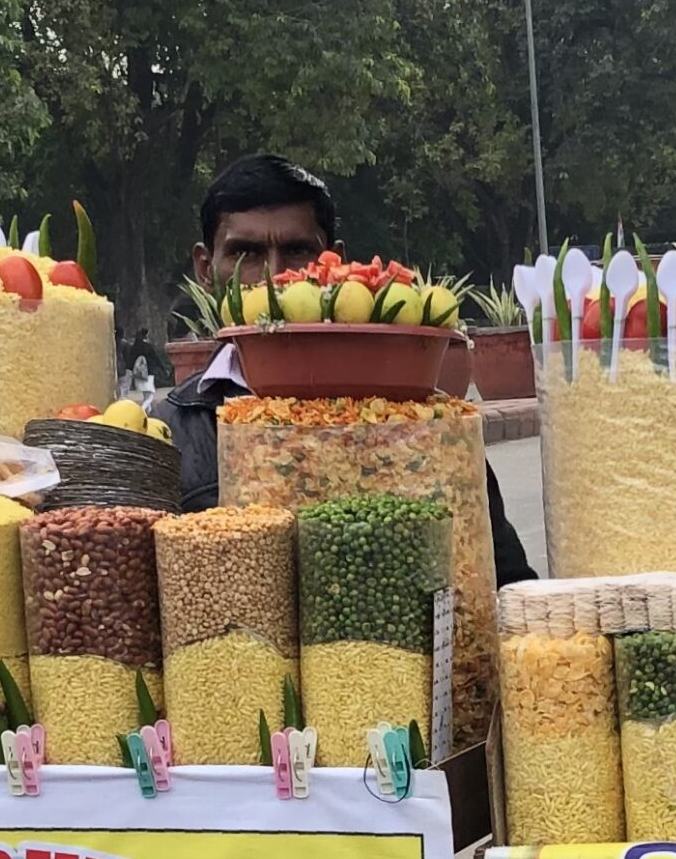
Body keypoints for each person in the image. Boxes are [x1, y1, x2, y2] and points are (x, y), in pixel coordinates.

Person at [151, 153, 536, 583]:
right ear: (206, 268)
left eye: (297, 251)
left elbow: (504, 582)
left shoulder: (416, 420)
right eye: (247, 253)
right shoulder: (171, 433)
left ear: (334, 265)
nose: (275, 277)